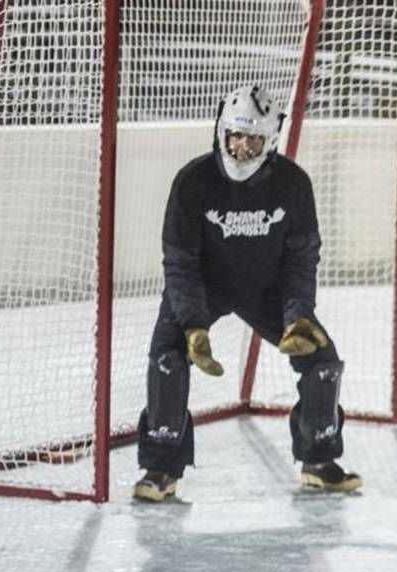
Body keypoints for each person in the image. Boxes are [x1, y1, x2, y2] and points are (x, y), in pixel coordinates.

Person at [133, 83, 361, 502]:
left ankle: (319, 459)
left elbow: (302, 257)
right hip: (203, 287)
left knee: (323, 363)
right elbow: (179, 260)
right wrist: (192, 324)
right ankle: (161, 468)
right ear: (221, 131)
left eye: (254, 138)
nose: (242, 147)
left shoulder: (294, 184)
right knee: (167, 359)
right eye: (236, 135)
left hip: (266, 289)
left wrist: (298, 315)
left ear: (270, 141)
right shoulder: (192, 181)